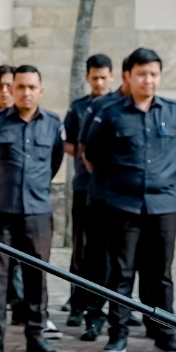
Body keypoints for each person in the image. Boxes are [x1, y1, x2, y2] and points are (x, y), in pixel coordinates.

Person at [81, 47, 176, 352]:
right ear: (127, 76)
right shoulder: (111, 113)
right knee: (122, 273)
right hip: (123, 205)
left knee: (161, 274)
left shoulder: (173, 112)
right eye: (142, 74)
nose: (148, 80)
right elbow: (92, 154)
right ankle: (118, 334)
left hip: (163, 205)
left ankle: (164, 333)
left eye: (154, 74)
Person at [0, 65, 65, 352]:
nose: (26, 93)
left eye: (32, 87)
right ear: (11, 90)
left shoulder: (53, 124)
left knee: (37, 275)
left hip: (37, 213)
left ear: (41, 91)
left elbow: (55, 161)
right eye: (21, 87)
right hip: (1, 211)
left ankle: (36, 334)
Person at [62, 54, 113, 329]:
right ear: (87, 78)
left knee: (111, 252)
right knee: (81, 249)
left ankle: (112, 304)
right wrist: (87, 152)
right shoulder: (79, 107)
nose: (100, 82)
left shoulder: (118, 105)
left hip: (112, 190)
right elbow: (67, 143)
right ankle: (77, 303)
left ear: (112, 76)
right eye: (95, 78)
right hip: (84, 185)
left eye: (104, 77)